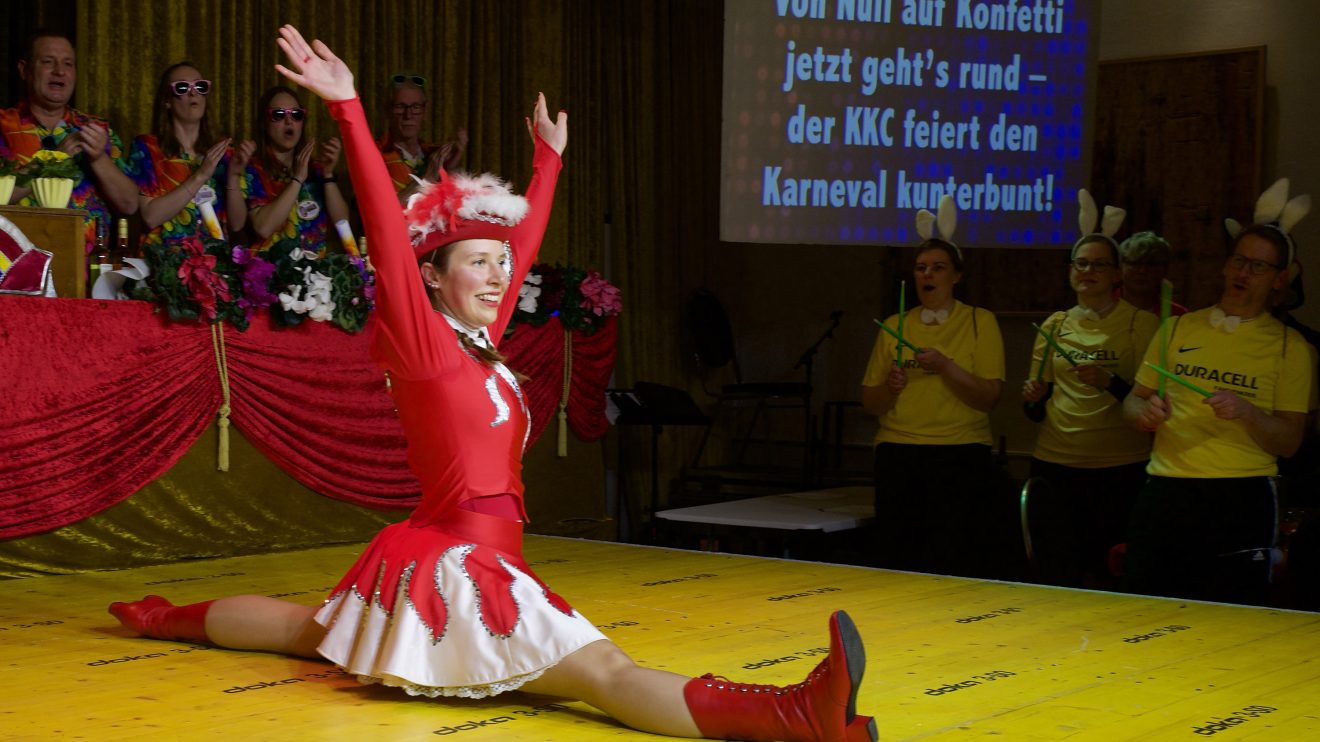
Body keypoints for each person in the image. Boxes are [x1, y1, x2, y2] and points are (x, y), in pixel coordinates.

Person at [107, 26, 876, 742]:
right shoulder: (420, 341)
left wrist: (548, 163)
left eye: (502, 264)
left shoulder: (479, 343)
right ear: (432, 280)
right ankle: (796, 716)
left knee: (304, 628)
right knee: (604, 674)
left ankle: (164, 618)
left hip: (463, 558)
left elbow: (521, 243)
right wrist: (345, 107)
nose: (500, 272)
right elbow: (381, 220)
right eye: (477, 261)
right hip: (459, 571)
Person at [1123, 178, 1315, 605]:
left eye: (1259, 266)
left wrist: (1248, 412)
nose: (1245, 272)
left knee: (1231, 614)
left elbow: (1289, 441)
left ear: (1279, 280)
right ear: (1226, 266)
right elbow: (1132, 400)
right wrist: (1143, 411)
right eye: (1239, 260)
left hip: (1240, 497)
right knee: (1143, 607)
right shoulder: (1177, 329)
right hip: (1165, 490)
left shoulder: (1291, 348)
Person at [861, 196, 1014, 579]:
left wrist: (946, 367)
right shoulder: (895, 324)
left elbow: (989, 397)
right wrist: (891, 388)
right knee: (899, 558)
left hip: (960, 454)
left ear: (956, 276)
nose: (927, 275)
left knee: (953, 557)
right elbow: (870, 403)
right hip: (900, 453)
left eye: (938, 268)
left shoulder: (981, 321)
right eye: (921, 268)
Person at [1021, 191, 1159, 589]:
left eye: (1099, 264)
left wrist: (1111, 382)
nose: (1088, 271)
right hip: (1056, 464)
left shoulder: (1141, 324)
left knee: (1111, 576)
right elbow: (1036, 411)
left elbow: (1152, 400)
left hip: (1119, 470)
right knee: (1056, 573)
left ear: (1118, 274)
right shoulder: (1053, 325)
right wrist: (1033, 398)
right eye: (1080, 263)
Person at [0, 30, 138, 256]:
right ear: (25, 70)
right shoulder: (4, 126)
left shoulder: (95, 130)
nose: (60, 71)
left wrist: (98, 159)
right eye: (48, 62)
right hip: (16, 267)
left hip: (86, 267)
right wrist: (54, 160)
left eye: (68, 64)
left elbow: (129, 204)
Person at [126, 62, 252, 252]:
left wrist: (234, 175)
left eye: (200, 86)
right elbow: (151, 216)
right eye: (182, 88)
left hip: (213, 267)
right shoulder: (147, 148)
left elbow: (236, 224)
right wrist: (201, 175)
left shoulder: (223, 152)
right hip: (164, 265)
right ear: (167, 101)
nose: (193, 93)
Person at [237, 85, 349, 255]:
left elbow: (343, 225)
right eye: (279, 115)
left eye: (296, 115)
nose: (289, 121)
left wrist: (327, 175)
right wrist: (297, 180)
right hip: (270, 274)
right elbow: (263, 228)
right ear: (264, 123)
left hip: (314, 276)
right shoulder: (251, 170)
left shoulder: (316, 169)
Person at [378, 71, 468, 205]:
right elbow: (384, 213)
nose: (408, 115)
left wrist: (451, 167)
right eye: (400, 106)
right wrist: (428, 177)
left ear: (424, 111)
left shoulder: (434, 154)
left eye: (415, 107)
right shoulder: (375, 155)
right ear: (387, 111)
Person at [1116, 231, 1187, 316]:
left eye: (1151, 264)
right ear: (1120, 268)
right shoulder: (1101, 307)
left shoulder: (1178, 316)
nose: (1142, 270)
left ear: (1165, 269)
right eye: (1135, 263)